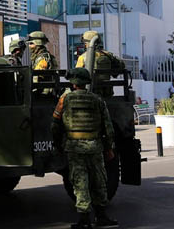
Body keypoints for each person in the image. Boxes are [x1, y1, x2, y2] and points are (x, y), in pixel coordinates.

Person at [51, 68, 118, 228]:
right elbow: (108, 128)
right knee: (99, 182)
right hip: (95, 148)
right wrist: (109, 148)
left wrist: (58, 145)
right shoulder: (97, 100)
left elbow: (55, 125)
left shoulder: (64, 100)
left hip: (75, 149)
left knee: (80, 182)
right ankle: (101, 217)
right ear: (86, 82)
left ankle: (84, 220)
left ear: (73, 83)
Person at [76, 30, 124, 97]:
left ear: (89, 43)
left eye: (85, 43)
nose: (84, 45)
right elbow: (121, 66)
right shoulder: (109, 55)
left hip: (90, 93)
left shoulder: (83, 57)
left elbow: (77, 75)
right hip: (106, 92)